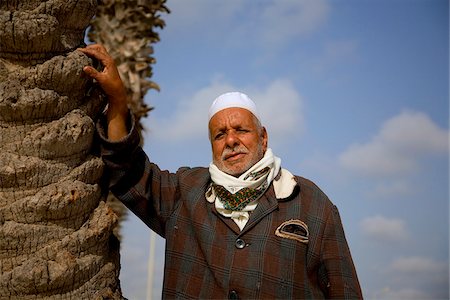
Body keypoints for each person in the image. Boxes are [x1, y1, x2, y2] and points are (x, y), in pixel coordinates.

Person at [79, 44, 363, 299]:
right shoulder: (184, 191)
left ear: (263, 137)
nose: (230, 140)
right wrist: (118, 101)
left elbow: (344, 290)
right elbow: (126, 169)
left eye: (241, 130)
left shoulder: (311, 202)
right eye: (220, 134)